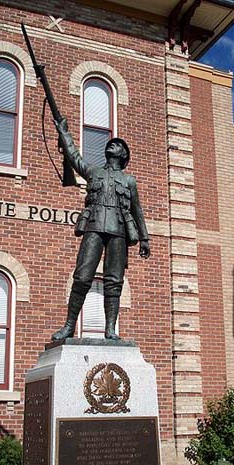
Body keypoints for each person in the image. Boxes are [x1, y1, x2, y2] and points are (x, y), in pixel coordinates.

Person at [52, 118, 150, 341]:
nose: (112, 144)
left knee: (114, 280)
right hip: (94, 226)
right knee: (82, 275)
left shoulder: (129, 181)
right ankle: (69, 326)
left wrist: (144, 239)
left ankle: (110, 329)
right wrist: (64, 133)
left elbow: (138, 211)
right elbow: (74, 157)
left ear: (123, 155)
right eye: (111, 143)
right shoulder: (94, 172)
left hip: (118, 230)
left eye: (118, 145)